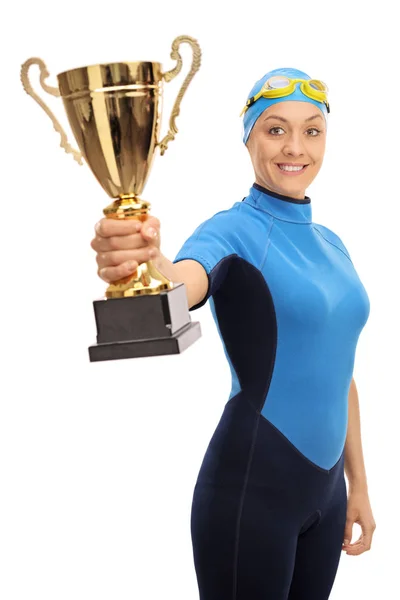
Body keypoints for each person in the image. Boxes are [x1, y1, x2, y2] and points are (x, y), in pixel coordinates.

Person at [90, 67, 376, 599]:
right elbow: (184, 280)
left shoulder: (334, 243)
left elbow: (341, 371)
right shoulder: (230, 230)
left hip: (326, 493)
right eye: (274, 129)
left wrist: (358, 485)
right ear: (248, 137)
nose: (295, 147)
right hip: (252, 491)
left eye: (312, 130)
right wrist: (143, 260)